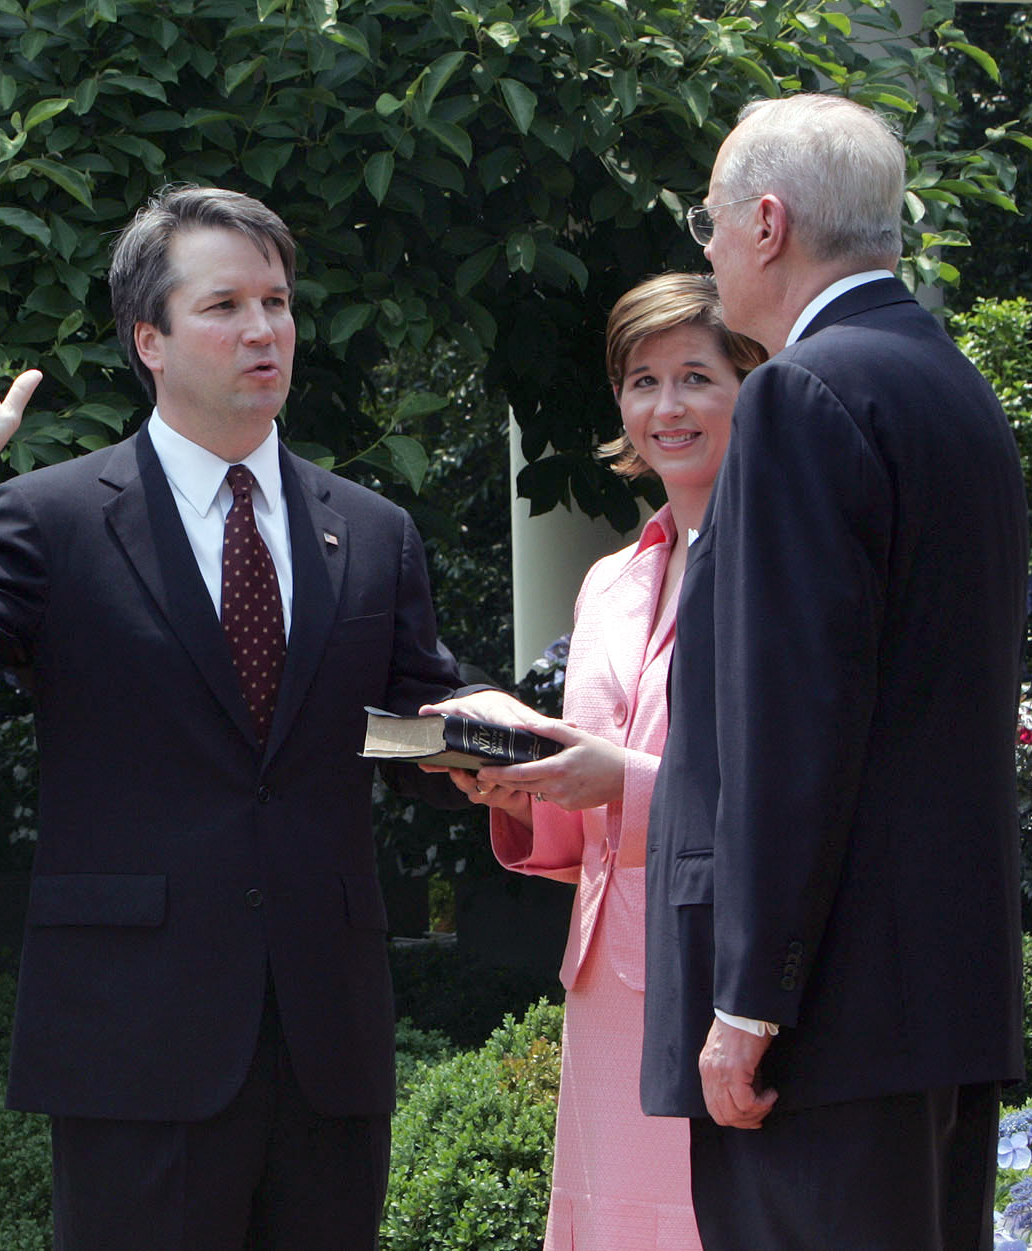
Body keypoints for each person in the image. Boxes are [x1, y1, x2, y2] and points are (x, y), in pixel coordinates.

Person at [0, 185, 468, 1249]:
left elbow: (388, 737)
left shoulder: (369, 529)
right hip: (132, 1038)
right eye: (223, 305)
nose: (262, 331)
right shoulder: (50, 519)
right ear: (148, 338)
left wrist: (481, 739)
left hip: (325, 1037)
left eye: (276, 303)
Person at [642, 94, 1029, 1247]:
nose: (703, 250)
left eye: (708, 220)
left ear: (765, 223)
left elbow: (788, 727)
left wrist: (747, 999)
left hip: (825, 1020)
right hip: (930, 999)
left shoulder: (800, 397)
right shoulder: (948, 387)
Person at [423, 273, 765, 1248]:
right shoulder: (610, 582)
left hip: (727, 970)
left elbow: (798, 789)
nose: (663, 407)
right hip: (604, 990)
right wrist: (517, 787)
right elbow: (595, 821)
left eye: (694, 377)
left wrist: (628, 781)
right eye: (639, 379)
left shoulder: (786, 561)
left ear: (753, 384)